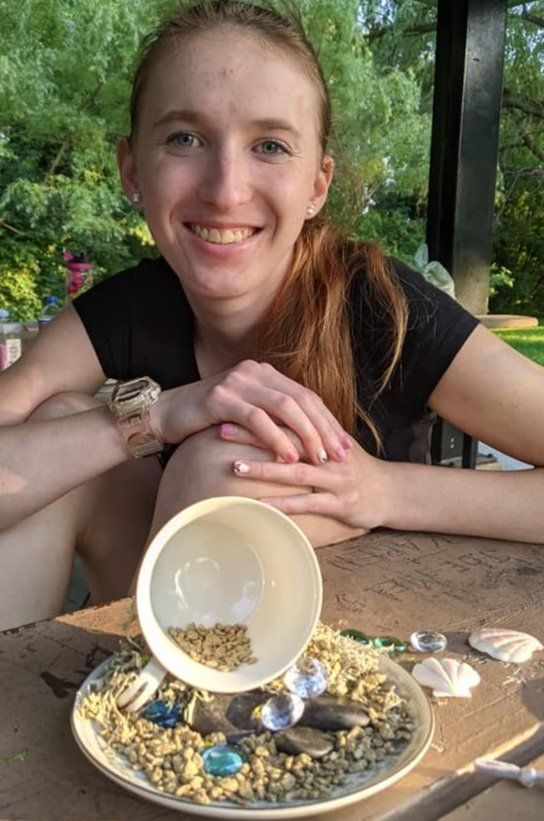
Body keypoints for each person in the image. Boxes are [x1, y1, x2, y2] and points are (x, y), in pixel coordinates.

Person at [1, 0, 543, 632]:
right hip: (156, 604)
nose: (226, 188)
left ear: (318, 184)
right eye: (186, 139)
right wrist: (153, 417)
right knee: (65, 427)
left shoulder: (383, 306)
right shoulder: (125, 308)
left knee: (221, 467)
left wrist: (382, 490)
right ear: (132, 171)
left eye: (270, 145)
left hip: (353, 641)